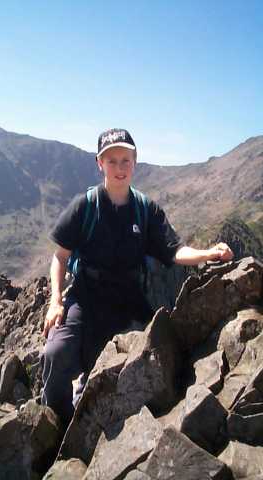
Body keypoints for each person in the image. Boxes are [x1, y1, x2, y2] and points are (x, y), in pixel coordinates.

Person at [41, 128, 233, 427]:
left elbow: (174, 251)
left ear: (135, 162)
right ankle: (52, 423)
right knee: (56, 352)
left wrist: (208, 253)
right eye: (112, 160)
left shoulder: (146, 210)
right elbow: (60, 256)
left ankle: (92, 424)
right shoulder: (85, 206)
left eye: (125, 160)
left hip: (128, 299)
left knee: (128, 367)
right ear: (99, 164)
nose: (120, 168)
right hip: (86, 295)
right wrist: (55, 302)